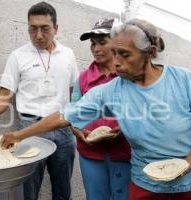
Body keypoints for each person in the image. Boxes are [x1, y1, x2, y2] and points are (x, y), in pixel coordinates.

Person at [0, 19, 191, 200]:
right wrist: (18, 135)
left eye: (125, 55)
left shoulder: (183, 81)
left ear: (150, 53)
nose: (116, 62)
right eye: (115, 53)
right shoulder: (111, 91)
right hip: (146, 185)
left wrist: (187, 164)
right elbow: (64, 116)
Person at [0, 2, 79, 200]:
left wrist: (76, 124)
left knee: (63, 189)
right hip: (29, 130)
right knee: (28, 190)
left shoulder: (68, 55)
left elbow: (74, 93)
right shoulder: (18, 56)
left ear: (56, 28)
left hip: (62, 129)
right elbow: (5, 95)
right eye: (32, 29)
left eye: (45, 29)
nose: (38, 35)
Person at [70, 18, 131, 200]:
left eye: (102, 43)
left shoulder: (129, 75)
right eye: (93, 44)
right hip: (91, 154)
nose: (96, 49)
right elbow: (73, 112)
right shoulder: (83, 78)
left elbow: (142, 111)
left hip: (124, 152)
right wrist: (76, 129)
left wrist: (125, 127)